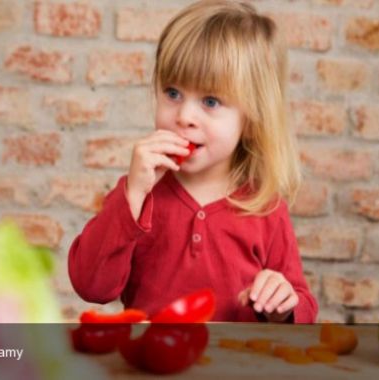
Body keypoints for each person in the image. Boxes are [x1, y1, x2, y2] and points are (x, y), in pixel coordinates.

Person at [68, 0, 318, 323]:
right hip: (151, 368)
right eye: (172, 93)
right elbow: (90, 285)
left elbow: (304, 307)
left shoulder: (265, 207)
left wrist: (285, 305)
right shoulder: (139, 195)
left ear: (252, 118)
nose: (184, 116)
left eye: (210, 101)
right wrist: (132, 195)